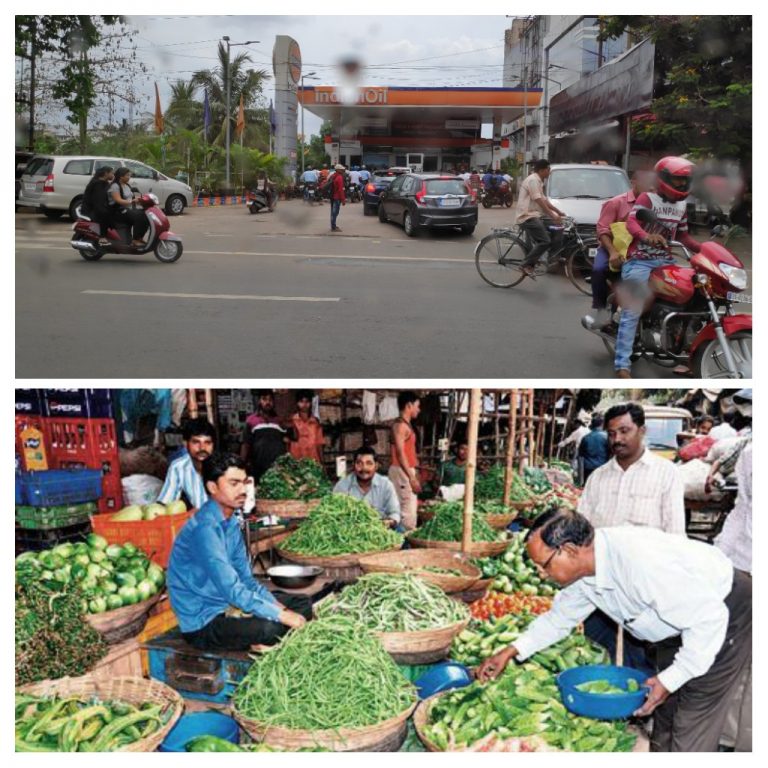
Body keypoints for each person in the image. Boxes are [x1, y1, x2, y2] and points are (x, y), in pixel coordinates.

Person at [477, 508, 751, 753]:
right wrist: (512, 650)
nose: (540, 574)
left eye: (543, 565)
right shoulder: (587, 569)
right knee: (666, 709)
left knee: (692, 717)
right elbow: (559, 618)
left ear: (570, 550)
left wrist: (672, 678)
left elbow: (708, 618)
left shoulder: (641, 563)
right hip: (678, 623)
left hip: (724, 615)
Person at [167, 453, 312, 652]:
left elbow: (247, 580)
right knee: (271, 627)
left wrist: (279, 608)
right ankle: (262, 641)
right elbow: (232, 590)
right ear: (212, 487)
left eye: (244, 482)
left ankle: (263, 642)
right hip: (205, 621)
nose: (243, 490)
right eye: (234, 483)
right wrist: (283, 616)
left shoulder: (230, 523)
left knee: (301, 602)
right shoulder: (204, 530)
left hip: (231, 606)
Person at [614, 156, 703, 378]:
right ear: (664, 179)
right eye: (678, 180)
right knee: (632, 309)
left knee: (693, 301)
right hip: (640, 260)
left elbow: (682, 234)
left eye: (686, 181)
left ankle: (689, 357)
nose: (682, 185)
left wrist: (703, 249)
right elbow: (632, 222)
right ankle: (622, 364)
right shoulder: (648, 198)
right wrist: (646, 237)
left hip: (665, 261)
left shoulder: (682, 205)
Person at [578, 402, 685, 534]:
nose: (617, 439)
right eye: (611, 433)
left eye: (624, 431)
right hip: (603, 553)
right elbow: (582, 529)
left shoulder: (667, 473)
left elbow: (675, 532)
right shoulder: (597, 477)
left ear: (642, 431)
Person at [582, 170, 653, 330]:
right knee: (599, 269)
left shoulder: (655, 205)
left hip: (640, 253)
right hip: (612, 248)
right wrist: (613, 251)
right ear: (633, 181)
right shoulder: (616, 203)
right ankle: (600, 310)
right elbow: (602, 230)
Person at [516, 159, 567, 279]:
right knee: (545, 241)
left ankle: (548, 258)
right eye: (548, 170)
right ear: (542, 170)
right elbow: (538, 200)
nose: (549, 172)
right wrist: (552, 215)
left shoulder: (539, 181)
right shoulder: (533, 180)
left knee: (556, 230)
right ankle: (525, 264)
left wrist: (558, 212)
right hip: (527, 216)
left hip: (534, 214)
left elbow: (544, 200)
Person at [334, 446, 401, 528]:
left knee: (401, 531)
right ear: (353, 465)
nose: (364, 468)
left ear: (376, 466)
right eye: (359, 463)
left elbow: (395, 512)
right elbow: (335, 514)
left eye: (369, 463)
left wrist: (389, 522)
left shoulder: (386, 485)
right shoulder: (342, 486)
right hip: (350, 529)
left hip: (381, 528)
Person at [157, 416, 216, 510]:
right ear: (185, 444)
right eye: (196, 442)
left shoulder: (223, 466)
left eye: (207, 442)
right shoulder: (178, 467)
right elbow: (166, 502)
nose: (202, 448)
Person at [389, 391, 421, 531]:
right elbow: (400, 454)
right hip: (402, 471)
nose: (419, 410)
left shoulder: (404, 425)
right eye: (417, 406)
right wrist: (412, 477)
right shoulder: (401, 426)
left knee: (405, 509)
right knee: (407, 512)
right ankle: (405, 546)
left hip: (404, 471)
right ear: (409, 405)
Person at [240, 390, 287, 483]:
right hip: (258, 465)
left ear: (273, 402)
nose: (267, 402)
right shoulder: (251, 420)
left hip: (278, 467)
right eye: (264, 399)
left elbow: (291, 438)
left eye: (270, 400)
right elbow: (246, 444)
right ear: (259, 401)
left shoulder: (279, 420)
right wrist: (241, 464)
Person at [108, 166, 149, 247]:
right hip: (118, 211)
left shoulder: (127, 185)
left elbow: (131, 198)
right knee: (138, 216)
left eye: (129, 175)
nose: (129, 177)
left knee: (146, 214)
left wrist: (142, 200)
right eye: (127, 175)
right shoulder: (115, 186)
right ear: (121, 176)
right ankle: (135, 240)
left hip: (127, 210)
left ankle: (139, 237)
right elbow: (118, 200)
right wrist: (131, 201)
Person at [287, 389, 324, 464]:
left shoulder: (315, 423)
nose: (304, 404)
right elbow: (287, 444)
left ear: (310, 403)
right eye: (301, 401)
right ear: (297, 403)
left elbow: (319, 444)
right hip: (296, 462)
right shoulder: (291, 421)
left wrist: (322, 463)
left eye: (307, 401)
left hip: (313, 462)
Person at [81, 165, 114, 246]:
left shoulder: (105, 183)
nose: (113, 175)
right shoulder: (97, 184)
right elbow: (98, 202)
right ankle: (102, 237)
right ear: (106, 173)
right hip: (91, 210)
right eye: (112, 173)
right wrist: (106, 210)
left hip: (98, 207)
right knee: (105, 214)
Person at [577, 413, 610, 483]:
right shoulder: (607, 437)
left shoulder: (585, 438)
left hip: (588, 469)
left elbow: (580, 457)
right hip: (602, 469)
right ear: (602, 424)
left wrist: (580, 478)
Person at [329, 163, 347, 232]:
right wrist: (343, 200)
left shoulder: (333, 175)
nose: (343, 170)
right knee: (335, 212)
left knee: (332, 212)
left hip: (332, 196)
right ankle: (333, 227)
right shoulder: (339, 177)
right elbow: (340, 190)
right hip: (337, 197)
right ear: (338, 170)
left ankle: (333, 226)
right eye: (342, 169)